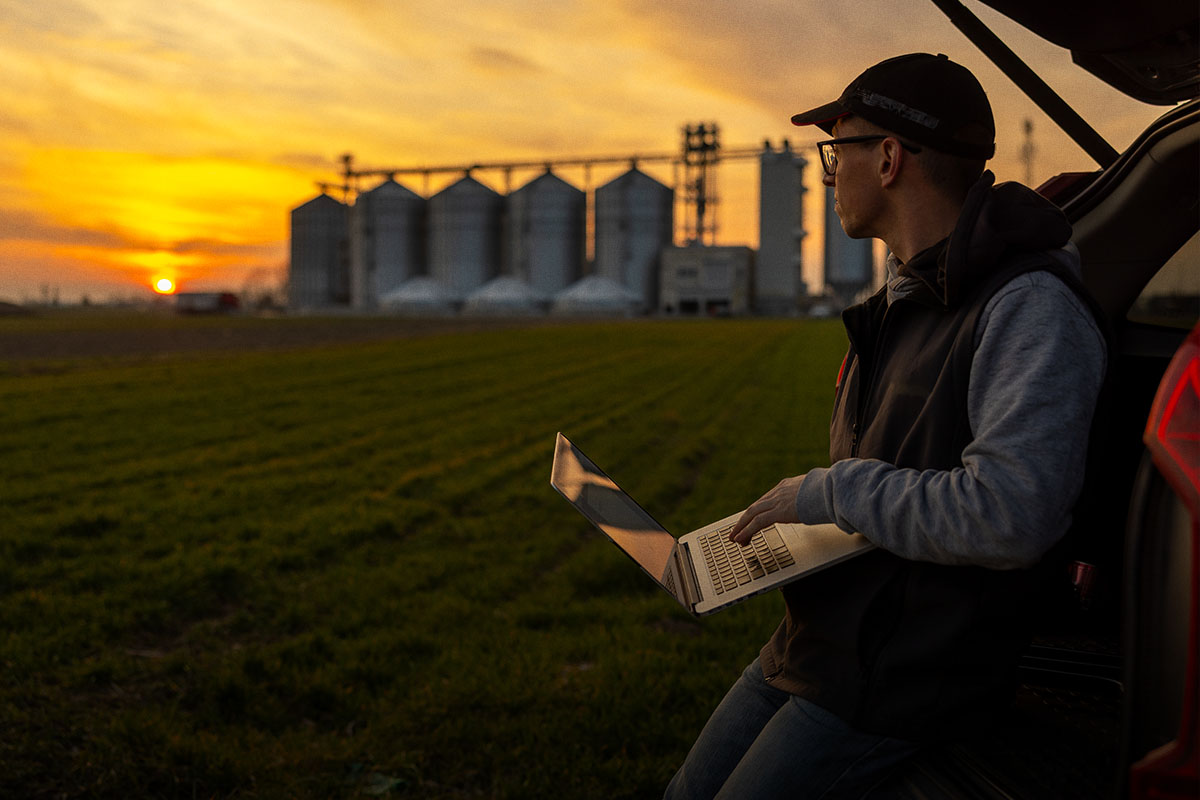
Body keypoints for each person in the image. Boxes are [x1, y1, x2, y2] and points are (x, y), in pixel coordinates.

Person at [664, 53, 1108, 799]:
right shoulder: (906, 297)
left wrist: (832, 492)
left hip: (905, 675)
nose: (829, 173)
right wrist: (796, 535)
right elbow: (892, 485)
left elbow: (1010, 515)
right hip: (824, 641)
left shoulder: (1027, 307)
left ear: (891, 157)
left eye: (838, 151)